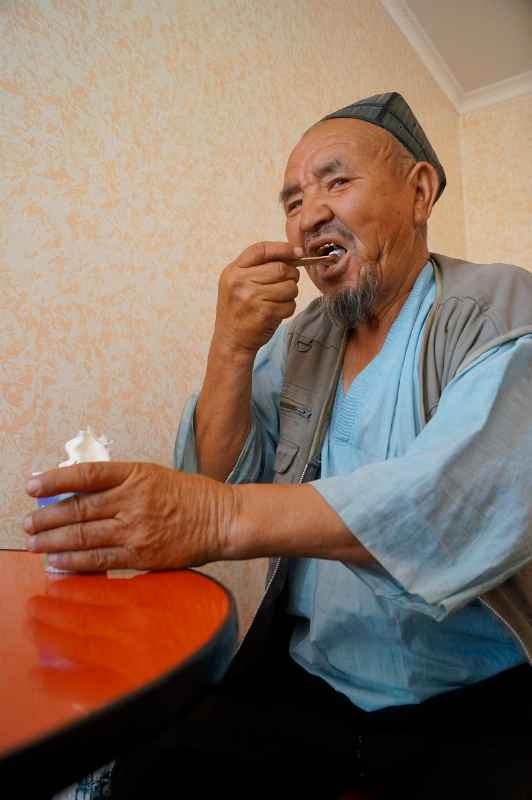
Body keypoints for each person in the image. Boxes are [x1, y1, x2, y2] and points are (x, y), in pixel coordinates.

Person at [25, 93, 532, 798]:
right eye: (293, 199)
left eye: (336, 181)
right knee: (148, 775)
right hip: (308, 677)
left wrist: (217, 516)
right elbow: (215, 475)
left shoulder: (501, 306)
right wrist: (230, 347)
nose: (309, 212)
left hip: (476, 696)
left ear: (420, 192)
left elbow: (456, 499)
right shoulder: (302, 341)